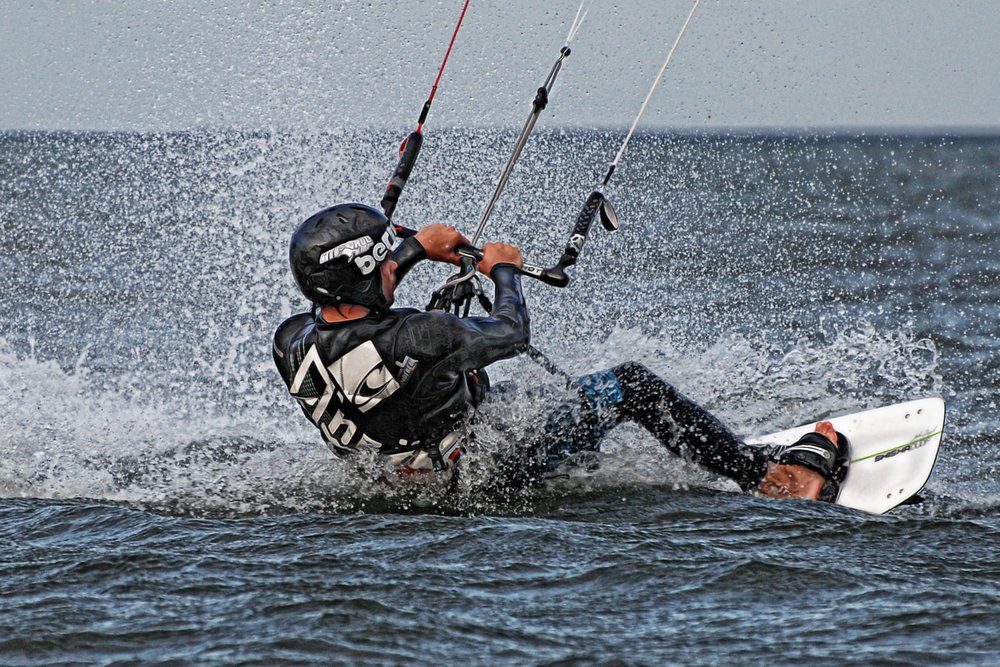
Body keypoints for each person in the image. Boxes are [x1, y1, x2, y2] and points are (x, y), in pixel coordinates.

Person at [272, 202, 848, 502]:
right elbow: (510, 334)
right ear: (369, 276)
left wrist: (416, 247)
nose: (395, 263)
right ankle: (771, 478)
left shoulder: (290, 339)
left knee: (529, 397)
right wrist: (503, 272)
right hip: (480, 481)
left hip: (395, 472)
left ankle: (719, 450)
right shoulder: (423, 335)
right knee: (629, 385)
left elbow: (373, 318)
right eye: (388, 261)